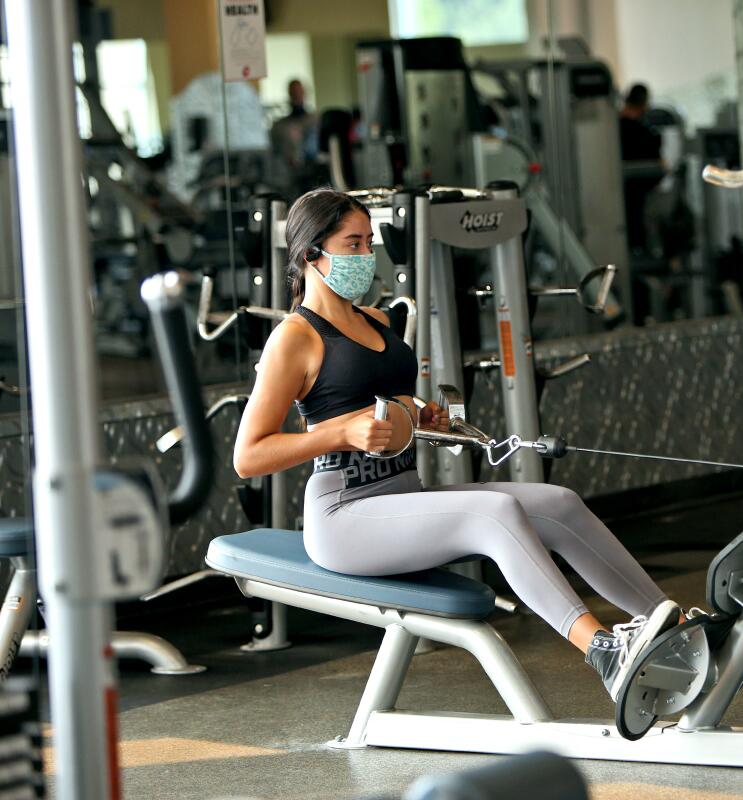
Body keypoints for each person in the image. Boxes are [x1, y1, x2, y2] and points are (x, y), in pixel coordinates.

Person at [232, 189, 681, 702]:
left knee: (559, 503)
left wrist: (423, 414)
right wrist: (337, 432)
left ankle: (671, 624)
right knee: (493, 512)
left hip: (401, 492)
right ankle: (603, 652)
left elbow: (388, 400)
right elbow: (248, 457)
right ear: (312, 253)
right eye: (352, 244)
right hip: (344, 514)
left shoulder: (376, 320)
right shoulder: (295, 336)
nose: (365, 257)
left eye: (369, 244)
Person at [618, 83, 663, 253]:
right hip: (637, 200)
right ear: (644, 103)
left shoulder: (612, 128)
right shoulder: (644, 133)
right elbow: (659, 167)